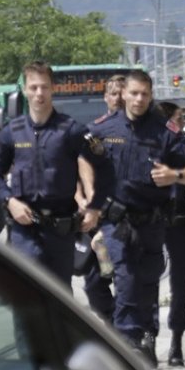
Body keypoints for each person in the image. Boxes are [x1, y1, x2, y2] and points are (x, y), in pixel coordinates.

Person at [87, 71, 185, 366]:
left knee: (148, 283)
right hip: (116, 221)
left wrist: (175, 175)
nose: (139, 99)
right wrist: (88, 200)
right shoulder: (103, 128)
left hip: (151, 221)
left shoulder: (164, 132)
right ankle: (127, 342)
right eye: (134, 93)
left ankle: (146, 337)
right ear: (123, 93)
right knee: (125, 277)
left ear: (151, 96)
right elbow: (79, 158)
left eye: (145, 94)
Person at [0, 61, 107, 283]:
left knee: (59, 298)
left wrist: (94, 207)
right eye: (33, 87)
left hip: (61, 232)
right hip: (24, 230)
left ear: (53, 88)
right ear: (25, 90)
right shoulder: (11, 132)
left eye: (44, 87)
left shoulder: (71, 130)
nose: (39, 93)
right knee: (26, 296)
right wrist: (10, 201)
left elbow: (105, 168)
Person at [155, 101, 185, 367]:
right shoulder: (145, 140)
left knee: (180, 283)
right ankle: (148, 338)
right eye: (176, 118)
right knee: (147, 280)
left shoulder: (182, 142)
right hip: (152, 219)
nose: (180, 123)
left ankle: (176, 341)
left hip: (179, 219)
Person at [79, 75, 126, 326]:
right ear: (105, 98)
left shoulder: (139, 130)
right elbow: (79, 164)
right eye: (113, 93)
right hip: (100, 217)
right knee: (94, 284)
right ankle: (112, 322)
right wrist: (82, 197)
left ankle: (129, 333)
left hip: (128, 219)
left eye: (121, 92)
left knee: (127, 282)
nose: (117, 98)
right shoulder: (94, 131)